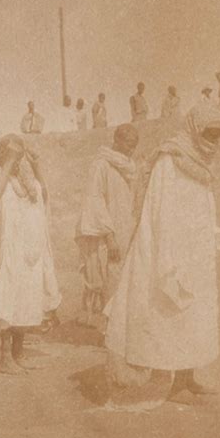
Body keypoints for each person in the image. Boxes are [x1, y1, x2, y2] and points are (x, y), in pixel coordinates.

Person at [105, 103, 220, 406]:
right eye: (209, 133)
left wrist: (211, 234)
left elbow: (203, 204)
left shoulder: (201, 163)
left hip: (197, 251)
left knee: (196, 316)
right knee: (173, 312)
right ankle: (175, 383)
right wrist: (169, 257)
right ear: (195, 128)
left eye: (218, 135)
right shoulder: (170, 159)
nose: (213, 140)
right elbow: (160, 210)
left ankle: (189, 377)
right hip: (171, 250)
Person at [0, 135, 61, 374]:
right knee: (6, 303)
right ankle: (5, 359)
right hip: (6, 252)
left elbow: (42, 195)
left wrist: (36, 167)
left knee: (26, 303)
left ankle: (19, 353)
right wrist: (8, 163)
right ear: (3, 152)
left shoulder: (24, 177)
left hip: (28, 254)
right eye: (14, 154)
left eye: (20, 154)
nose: (18, 159)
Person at [75, 125, 139, 333]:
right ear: (117, 141)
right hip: (107, 236)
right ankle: (108, 331)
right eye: (129, 145)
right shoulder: (101, 165)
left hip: (125, 230)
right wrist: (110, 237)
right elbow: (95, 201)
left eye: (134, 146)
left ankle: (118, 329)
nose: (131, 150)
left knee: (123, 280)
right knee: (109, 280)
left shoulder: (127, 166)